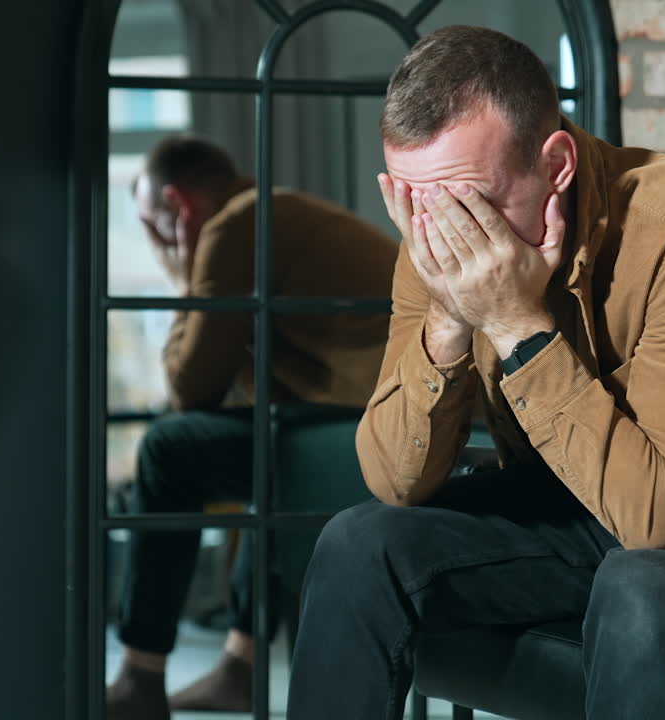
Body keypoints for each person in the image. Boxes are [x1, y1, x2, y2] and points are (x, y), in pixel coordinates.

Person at [286, 25, 665, 720]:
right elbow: (394, 478)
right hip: (569, 504)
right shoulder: (433, 229)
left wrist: (517, 324)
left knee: (640, 587)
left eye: (473, 206)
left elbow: (660, 516)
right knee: (358, 542)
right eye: (423, 208)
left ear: (555, 163)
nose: (450, 236)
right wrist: (448, 317)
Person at [107, 136, 398, 720]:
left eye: (150, 225)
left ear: (178, 205)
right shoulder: (272, 208)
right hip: (378, 414)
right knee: (267, 445)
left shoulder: (233, 226)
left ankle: (141, 674)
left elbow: (191, 389)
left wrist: (183, 276)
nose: (154, 242)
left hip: (370, 425)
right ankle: (241, 665)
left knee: (170, 448)